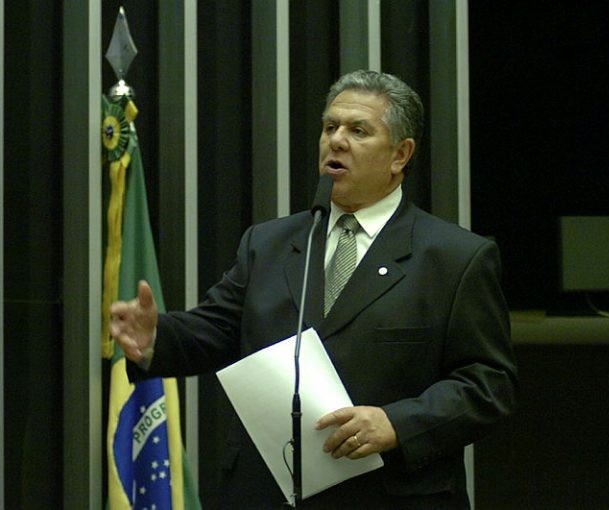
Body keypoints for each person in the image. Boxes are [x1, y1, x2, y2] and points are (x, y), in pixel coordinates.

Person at [111, 70, 518, 509]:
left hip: (390, 496)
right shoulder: (268, 243)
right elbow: (216, 330)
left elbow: (488, 385)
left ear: (401, 154)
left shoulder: (455, 257)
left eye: (358, 130)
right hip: (266, 491)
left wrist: (397, 424)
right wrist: (156, 339)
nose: (336, 141)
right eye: (330, 127)